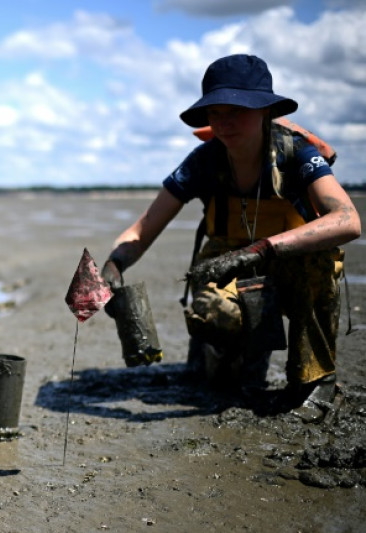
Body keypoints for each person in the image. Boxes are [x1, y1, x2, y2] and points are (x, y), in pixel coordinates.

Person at [101, 54, 361, 422]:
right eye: (215, 112)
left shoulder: (295, 153)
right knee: (222, 371)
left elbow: (348, 220)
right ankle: (224, 357)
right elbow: (143, 229)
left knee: (320, 263)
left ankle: (314, 383)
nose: (224, 123)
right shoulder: (203, 161)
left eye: (236, 110)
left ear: (264, 111)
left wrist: (263, 248)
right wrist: (114, 265)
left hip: (290, 258)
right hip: (225, 263)